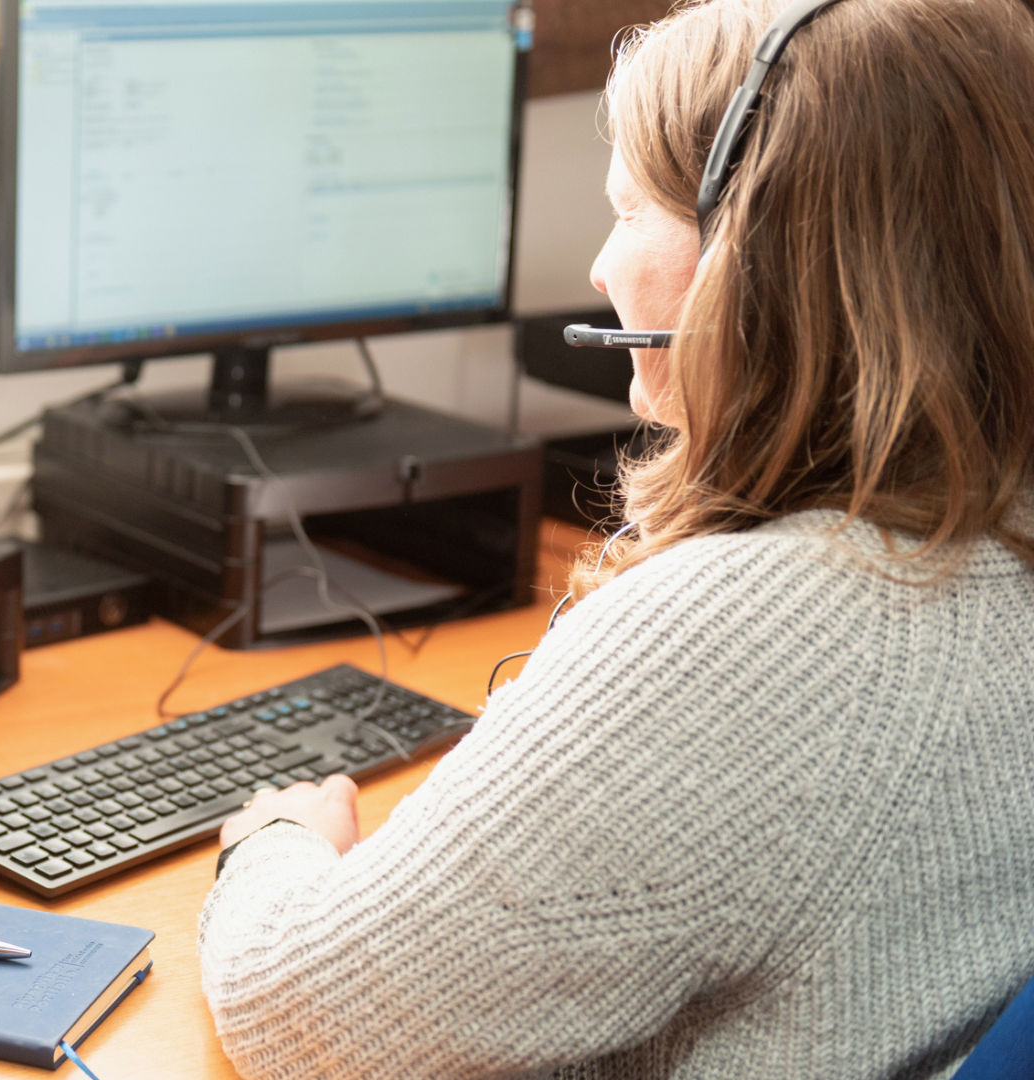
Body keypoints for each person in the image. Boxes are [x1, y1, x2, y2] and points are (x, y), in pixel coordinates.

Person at [196, 0, 1034, 1075]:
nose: (599, 269)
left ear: (756, 258)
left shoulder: (757, 638)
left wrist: (276, 842)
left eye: (629, 209)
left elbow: (305, 1015)